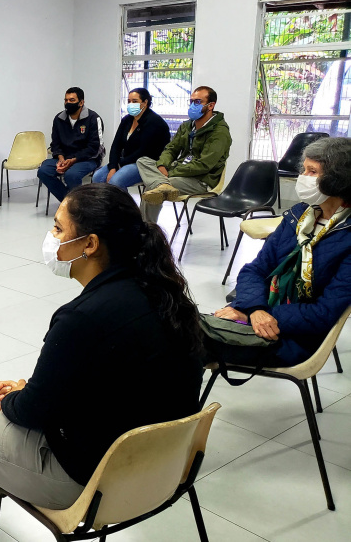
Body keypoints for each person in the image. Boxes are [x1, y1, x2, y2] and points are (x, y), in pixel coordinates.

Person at [0, 183, 203, 521]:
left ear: (90, 244)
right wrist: (32, 395)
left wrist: (20, 395)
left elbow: (32, 412)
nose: (51, 235)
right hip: (164, 471)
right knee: (3, 439)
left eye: (59, 228)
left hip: (91, 484)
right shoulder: (169, 295)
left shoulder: (83, 318)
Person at [212, 137, 351, 367]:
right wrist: (254, 308)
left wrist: (253, 315)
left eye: (312, 171)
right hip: (260, 316)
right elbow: (255, 270)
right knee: (181, 332)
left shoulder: (346, 237)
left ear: (338, 180)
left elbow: (324, 313)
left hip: (294, 337)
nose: (303, 178)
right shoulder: (298, 216)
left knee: (188, 343)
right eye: (304, 169)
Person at [137, 86, 231, 223]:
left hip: (201, 179)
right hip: (180, 170)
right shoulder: (187, 126)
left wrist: (171, 171)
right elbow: (171, 148)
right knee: (143, 161)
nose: (193, 105)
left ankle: (147, 232)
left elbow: (204, 165)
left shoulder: (220, 132)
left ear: (211, 105)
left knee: (153, 187)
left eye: (198, 102)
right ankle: (162, 184)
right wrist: (163, 164)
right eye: (191, 101)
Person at [36, 87, 105, 204]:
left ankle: (75, 204)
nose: (68, 103)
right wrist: (61, 159)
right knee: (43, 171)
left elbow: (94, 147)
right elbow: (55, 144)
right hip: (65, 158)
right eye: (66, 100)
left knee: (71, 175)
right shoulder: (59, 118)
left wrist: (73, 160)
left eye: (72, 100)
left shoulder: (94, 118)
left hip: (88, 158)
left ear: (81, 102)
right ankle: (70, 203)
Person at [92, 88, 170, 189]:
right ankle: (106, 204)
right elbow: (116, 145)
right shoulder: (127, 120)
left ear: (145, 102)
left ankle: (124, 205)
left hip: (144, 163)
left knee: (115, 181)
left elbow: (143, 151)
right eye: (129, 101)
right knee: (97, 177)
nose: (131, 104)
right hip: (125, 161)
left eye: (135, 101)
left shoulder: (154, 122)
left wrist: (119, 165)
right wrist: (113, 166)